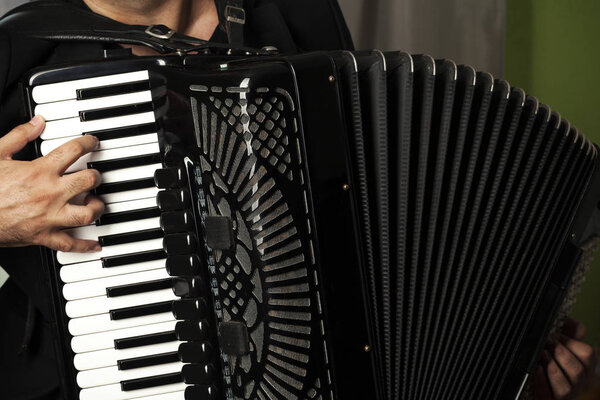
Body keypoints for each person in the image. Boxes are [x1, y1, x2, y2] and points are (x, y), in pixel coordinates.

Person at [0, 1, 595, 399]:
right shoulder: (17, 49)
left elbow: (367, 209)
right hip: (92, 372)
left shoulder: (297, 12)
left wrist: (506, 348)